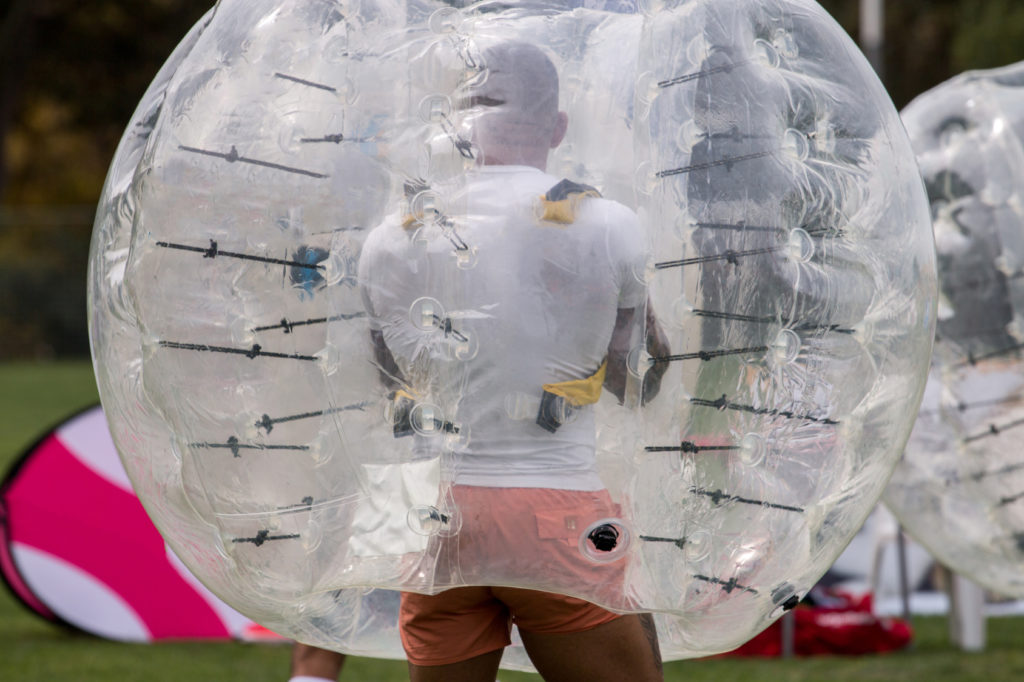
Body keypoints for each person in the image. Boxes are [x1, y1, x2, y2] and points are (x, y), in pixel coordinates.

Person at [358, 40, 669, 682]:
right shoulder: (607, 225)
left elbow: (394, 382)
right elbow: (642, 377)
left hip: (437, 519)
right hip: (558, 512)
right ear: (555, 126)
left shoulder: (393, 235)